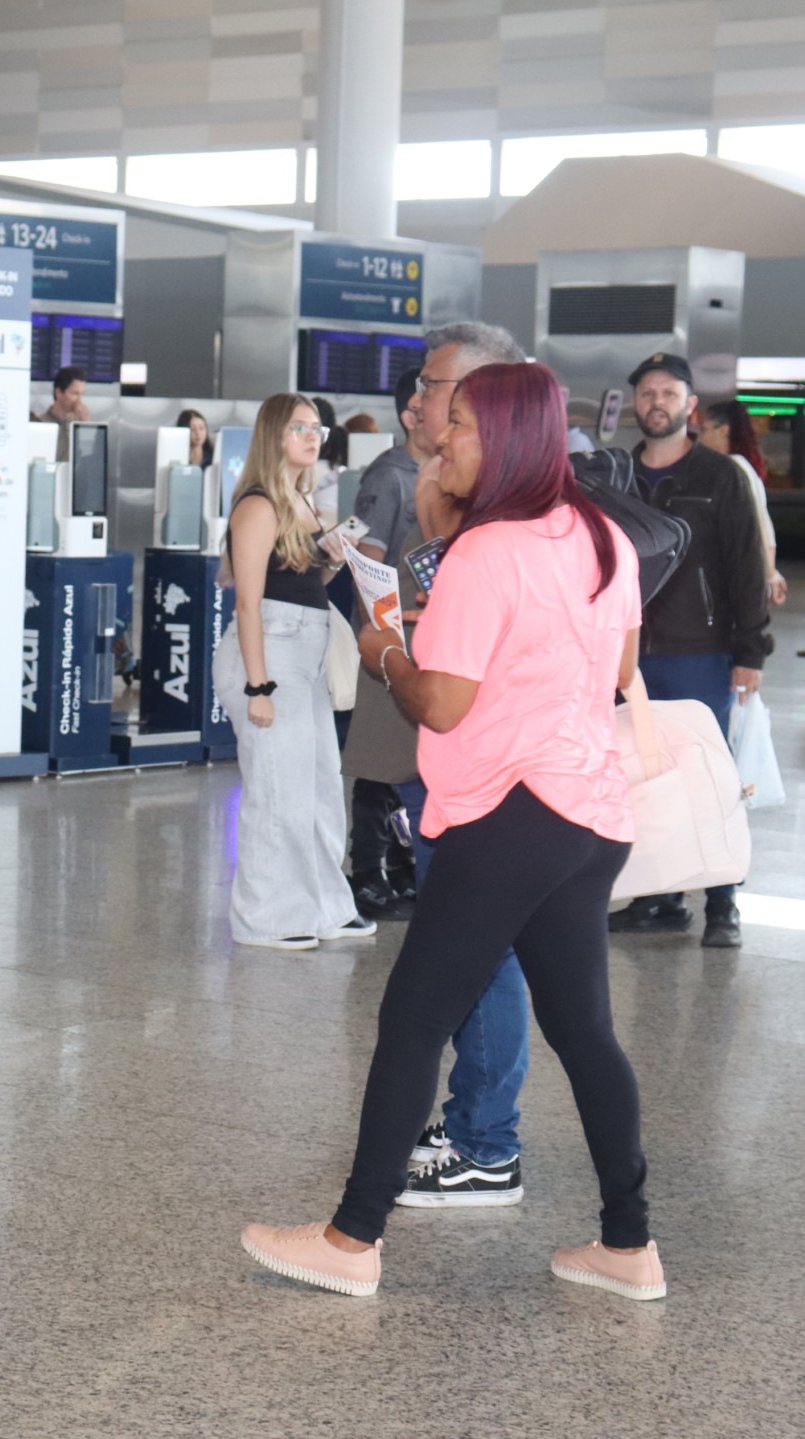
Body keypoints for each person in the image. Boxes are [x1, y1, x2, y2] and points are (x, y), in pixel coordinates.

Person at [242, 361, 664, 1303]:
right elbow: (617, 658)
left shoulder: (489, 552)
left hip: (508, 811)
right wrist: (445, 542)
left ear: (509, 438)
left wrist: (385, 647)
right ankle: (629, 1246)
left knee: (414, 1016)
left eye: (464, 425)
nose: (444, 439)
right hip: (588, 812)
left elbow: (438, 700)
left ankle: (352, 1238)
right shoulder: (601, 535)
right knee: (584, 1031)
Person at [380, 320, 535, 1208]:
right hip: (463, 765)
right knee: (489, 953)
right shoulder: (469, 491)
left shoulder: (501, 508)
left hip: (489, 769)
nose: (420, 400)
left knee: (488, 954)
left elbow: (451, 671)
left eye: (436, 386)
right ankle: (478, 1117)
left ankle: (487, 1142)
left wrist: (389, 653)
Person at [608, 353, 769, 950]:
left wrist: (750, 650)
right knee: (640, 773)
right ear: (634, 405)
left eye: (669, 393)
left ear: (689, 405)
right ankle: (658, 897)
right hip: (624, 652)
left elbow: (747, 567)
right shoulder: (614, 475)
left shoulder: (720, 476)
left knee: (708, 771)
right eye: (646, 392)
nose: (657, 402)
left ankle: (723, 903)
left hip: (698, 648)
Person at [213, 393, 371, 951]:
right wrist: (259, 686)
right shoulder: (257, 506)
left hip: (303, 653)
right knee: (278, 792)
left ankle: (326, 906)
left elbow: (304, 588)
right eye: (300, 428)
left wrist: (331, 556)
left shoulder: (302, 503)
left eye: (318, 429)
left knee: (321, 787)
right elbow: (249, 603)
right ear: (274, 434)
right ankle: (266, 918)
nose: (312, 437)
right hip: (270, 655)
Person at [342, 364, 427, 923]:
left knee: (411, 763)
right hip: (389, 640)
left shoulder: (440, 473)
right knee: (379, 760)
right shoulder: (390, 475)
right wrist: (387, 629)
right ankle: (366, 870)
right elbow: (365, 563)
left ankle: (401, 867)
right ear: (412, 413)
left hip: (426, 637)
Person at [700, 400, 787, 607]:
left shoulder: (734, 467)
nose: (700, 437)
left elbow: (759, 522)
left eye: (704, 429)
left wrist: (770, 574)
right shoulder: (734, 465)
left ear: (723, 430)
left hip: (738, 574)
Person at [34, 365, 89, 459]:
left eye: (82, 394)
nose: (79, 400)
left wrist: (85, 425)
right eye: (75, 393)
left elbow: (87, 456)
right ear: (59, 393)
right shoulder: (40, 423)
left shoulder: (78, 422)